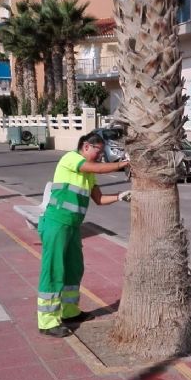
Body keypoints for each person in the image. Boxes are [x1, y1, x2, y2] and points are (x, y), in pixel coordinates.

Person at [37, 132, 132, 338]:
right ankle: (47, 322)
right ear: (86, 146)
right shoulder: (71, 158)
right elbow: (96, 167)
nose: (100, 155)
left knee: (73, 269)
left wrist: (119, 196)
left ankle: (70, 312)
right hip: (56, 223)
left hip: (72, 226)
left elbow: (98, 199)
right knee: (54, 270)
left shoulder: (89, 174)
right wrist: (122, 164)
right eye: (98, 151)